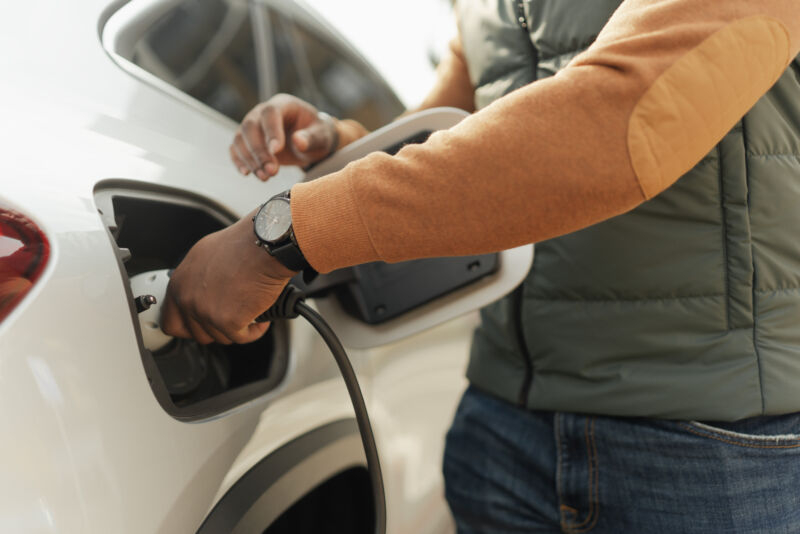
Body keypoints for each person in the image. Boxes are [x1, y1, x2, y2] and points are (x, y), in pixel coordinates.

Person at [162, 0, 800, 531]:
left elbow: (617, 124)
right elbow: (461, 140)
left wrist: (285, 232)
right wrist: (344, 147)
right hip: (502, 426)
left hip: (707, 446)